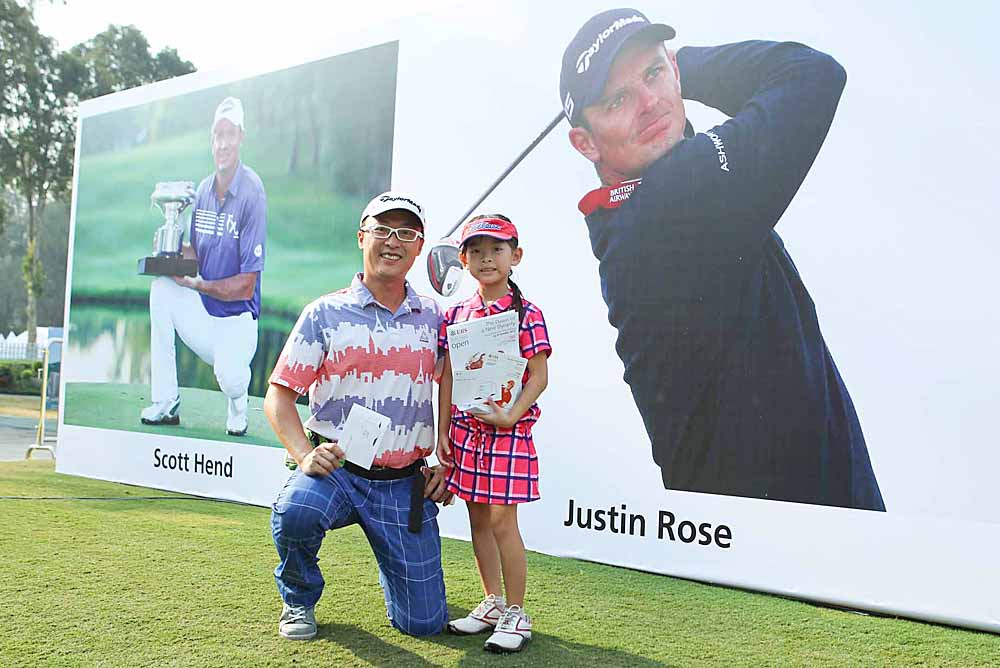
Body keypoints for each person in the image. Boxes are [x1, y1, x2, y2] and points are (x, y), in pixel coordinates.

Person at [560, 9, 885, 510]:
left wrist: (669, 72)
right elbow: (811, 74)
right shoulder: (670, 205)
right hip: (781, 551)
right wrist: (685, 66)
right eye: (618, 99)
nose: (648, 103)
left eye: (652, 74)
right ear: (585, 142)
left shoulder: (641, 212)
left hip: (787, 538)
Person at [265, 192, 452, 641]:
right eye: (382, 229)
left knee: (423, 625)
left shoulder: (435, 317)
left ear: (419, 245)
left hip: (403, 482)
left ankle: (401, 572)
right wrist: (304, 454)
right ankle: (298, 599)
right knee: (296, 513)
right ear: (361, 236)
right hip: (339, 472)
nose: (393, 241)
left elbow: (450, 387)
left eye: (405, 233)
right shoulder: (324, 314)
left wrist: (446, 459)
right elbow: (279, 396)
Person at [437, 215, 551, 653]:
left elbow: (539, 375)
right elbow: (447, 376)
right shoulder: (458, 314)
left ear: (514, 256)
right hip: (467, 433)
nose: (487, 258)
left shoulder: (527, 314)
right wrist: (443, 430)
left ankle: (517, 614)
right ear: (463, 260)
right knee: (478, 518)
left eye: (497, 249)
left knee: (504, 521)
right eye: (477, 251)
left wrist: (510, 415)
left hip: (508, 433)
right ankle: (492, 602)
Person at [140, 96, 266, 437]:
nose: (222, 143)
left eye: (229, 134)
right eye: (217, 135)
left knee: (231, 378)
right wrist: (171, 245)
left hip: (237, 323)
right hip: (204, 318)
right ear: (212, 140)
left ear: (241, 137)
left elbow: (247, 285)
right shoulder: (205, 190)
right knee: (162, 289)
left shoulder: (253, 192)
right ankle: (166, 402)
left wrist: (197, 285)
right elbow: (196, 253)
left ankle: (238, 404)